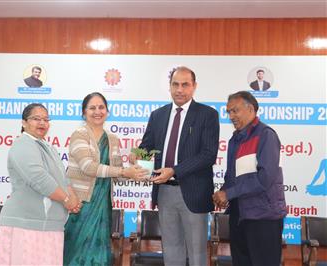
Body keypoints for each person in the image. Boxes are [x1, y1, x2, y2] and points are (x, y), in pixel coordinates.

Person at [131, 66, 220, 265]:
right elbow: (146, 147)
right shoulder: (158, 115)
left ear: (194, 87)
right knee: (171, 251)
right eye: (175, 84)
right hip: (164, 192)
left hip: (194, 192)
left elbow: (208, 155)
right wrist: (137, 155)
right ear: (169, 87)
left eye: (185, 85)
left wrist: (175, 171)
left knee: (197, 254)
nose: (180, 89)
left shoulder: (207, 115)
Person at [63, 92, 148, 266]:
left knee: (99, 253)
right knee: (76, 253)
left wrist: (137, 170)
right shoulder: (79, 135)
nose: (97, 111)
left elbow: (117, 175)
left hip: (103, 204)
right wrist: (124, 172)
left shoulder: (113, 139)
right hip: (81, 204)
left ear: (107, 112)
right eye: (92, 108)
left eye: (101, 107)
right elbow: (88, 167)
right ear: (84, 113)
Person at [0, 103, 80, 266]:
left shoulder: (49, 147)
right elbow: (39, 179)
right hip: (26, 224)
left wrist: (73, 198)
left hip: (49, 225)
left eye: (46, 119)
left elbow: (63, 178)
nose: (42, 123)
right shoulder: (23, 144)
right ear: (24, 122)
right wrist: (67, 200)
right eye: (36, 119)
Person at [213, 91, 287, 266]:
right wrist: (224, 192)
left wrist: (229, 193)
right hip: (240, 215)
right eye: (228, 112)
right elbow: (233, 176)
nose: (231, 116)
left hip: (263, 217)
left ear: (251, 109)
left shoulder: (266, 135)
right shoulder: (234, 140)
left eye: (235, 111)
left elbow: (265, 178)